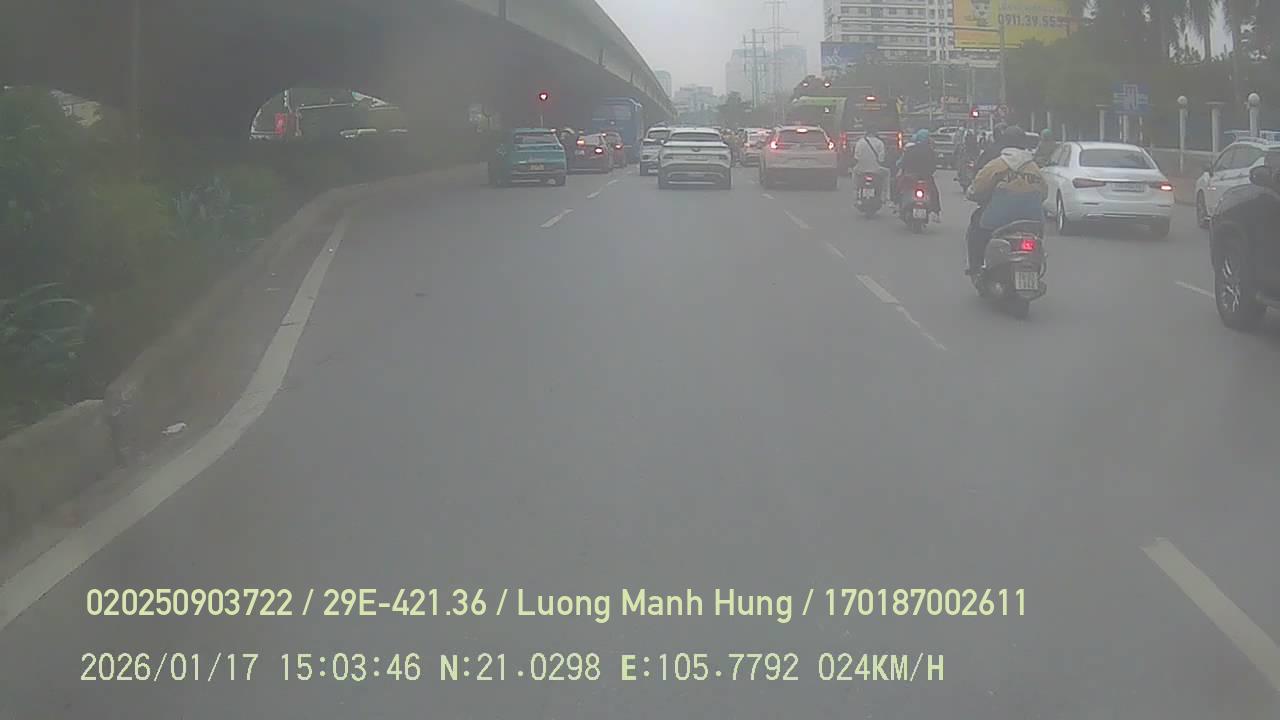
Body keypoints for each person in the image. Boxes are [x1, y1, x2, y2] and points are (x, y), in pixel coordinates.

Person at [964, 125, 1048, 275]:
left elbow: (976, 189)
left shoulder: (997, 165)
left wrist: (973, 194)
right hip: (1033, 222)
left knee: (975, 231)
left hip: (997, 222)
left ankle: (976, 268)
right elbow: (1044, 193)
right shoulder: (1034, 168)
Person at [896, 128, 941, 216]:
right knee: (934, 192)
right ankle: (936, 212)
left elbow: (902, 163)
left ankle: (895, 203)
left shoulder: (910, 149)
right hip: (925, 177)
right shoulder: (930, 151)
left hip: (910, 177)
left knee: (899, 186)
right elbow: (934, 166)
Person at [851, 130, 889, 199]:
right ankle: (885, 196)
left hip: (861, 169)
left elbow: (856, 157)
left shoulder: (860, 142)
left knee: (854, 171)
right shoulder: (880, 143)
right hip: (877, 170)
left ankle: (855, 194)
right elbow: (881, 159)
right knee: (887, 173)